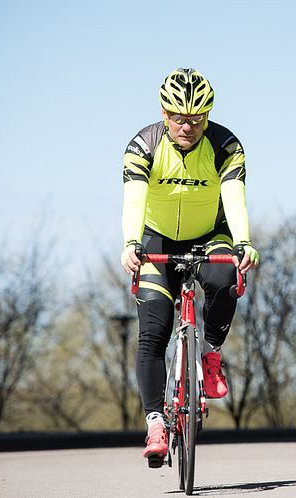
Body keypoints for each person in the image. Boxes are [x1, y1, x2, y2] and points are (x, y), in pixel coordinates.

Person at [120, 67, 259, 467]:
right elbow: (132, 198)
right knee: (154, 331)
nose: (188, 125)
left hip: (209, 233)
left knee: (224, 277)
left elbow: (234, 195)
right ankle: (155, 422)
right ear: (165, 115)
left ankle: (211, 351)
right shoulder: (142, 145)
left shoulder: (225, 144)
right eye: (179, 117)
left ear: (208, 114)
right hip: (156, 238)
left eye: (197, 117)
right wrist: (131, 242)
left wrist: (243, 241)